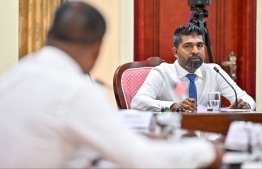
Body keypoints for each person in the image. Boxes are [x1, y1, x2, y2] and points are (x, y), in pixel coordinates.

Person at [0, 2, 223, 168]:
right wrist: (208, 152)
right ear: (97, 47)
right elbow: (142, 160)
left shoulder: (11, 78)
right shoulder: (74, 91)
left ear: (48, 35)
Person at [131, 23, 255, 112]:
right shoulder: (162, 72)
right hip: (174, 136)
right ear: (175, 52)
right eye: (188, 46)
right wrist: (173, 105)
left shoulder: (214, 71)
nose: (195, 51)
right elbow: (137, 102)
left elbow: (247, 99)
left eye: (200, 45)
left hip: (208, 135)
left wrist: (246, 105)